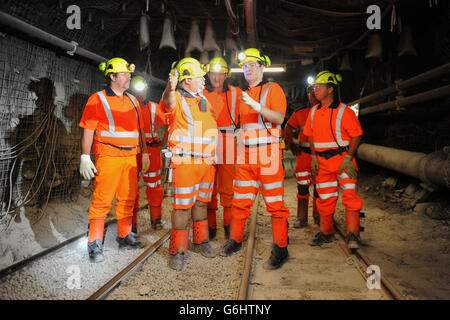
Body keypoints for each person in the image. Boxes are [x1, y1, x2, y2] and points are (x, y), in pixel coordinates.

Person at [221, 48, 290, 270]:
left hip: (268, 155)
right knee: (240, 202)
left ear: (262, 67)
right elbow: (247, 124)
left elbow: (279, 117)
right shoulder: (244, 95)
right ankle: (235, 240)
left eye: (252, 65)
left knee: (275, 205)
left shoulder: (273, 89)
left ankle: (281, 248)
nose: (248, 69)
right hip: (246, 156)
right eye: (244, 66)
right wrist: (240, 132)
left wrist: (258, 107)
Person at [79, 58, 150, 263]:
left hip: (129, 157)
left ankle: (125, 236)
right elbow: (88, 130)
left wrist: (144, 152)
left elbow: (140, 130)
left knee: (127, 199)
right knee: (102, 201)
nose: (129, 77)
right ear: (112, 77)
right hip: (108, 156)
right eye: (125, 74)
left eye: (129, 74)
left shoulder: (133, 101)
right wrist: (85, 156)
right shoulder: (97, 99)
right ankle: (94, 243)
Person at [161, 57, 218, 271]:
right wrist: (170, 86)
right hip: (185, 162)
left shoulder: (204, 101)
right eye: (199, 77)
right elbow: (168, 102)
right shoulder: (176, 98)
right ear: (186, 81)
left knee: (202, 203)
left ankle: (201, 241)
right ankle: (177, 250)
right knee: (182, 207)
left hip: (206, 164)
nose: (203, 80)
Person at [302, 70, 364, 249]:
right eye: (314, 87)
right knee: (325, 198)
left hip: (342, 160)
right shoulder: (313, 112)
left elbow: (356, 136)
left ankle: (353, 234)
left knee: (350, 196)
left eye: (318, 87)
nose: (315, 90)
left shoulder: (344, 111)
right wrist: (314, 156)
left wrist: (349, 158)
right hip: (322, 162)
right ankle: (326, 232)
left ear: (330, 89)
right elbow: (311, 136)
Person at [202, 57, 242, 240]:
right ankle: (210, 226)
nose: (216, 78)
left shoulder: (236, 93)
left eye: (220, 74)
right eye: (212, 74)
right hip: (206, 141)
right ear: (207, 74)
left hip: (227, 140)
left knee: (228, 185)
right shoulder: (200, 93)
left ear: (226, 75)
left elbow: (248, 115)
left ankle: (228, 224)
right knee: (208, 185)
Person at [129, 75, 168, 233]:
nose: (141, 94)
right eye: (138, 90)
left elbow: (168, 123)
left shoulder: (153, 107)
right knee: (132, 189)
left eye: (143, 90)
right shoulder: (127, 107)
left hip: (151, 151)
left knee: (154, 186)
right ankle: (132, 225)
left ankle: (156, 219)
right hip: (132, 151)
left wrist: (163, 142)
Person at [284, 85, 320, 228]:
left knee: (320, 188)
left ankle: (318, 216)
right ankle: (302, 217)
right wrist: (291, 143)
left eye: (315, 93)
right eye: (310, 93)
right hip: (304, 155)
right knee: (303, 187)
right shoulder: (301, 113)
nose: (312, 95)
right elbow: (288, 127)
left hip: (322, 155)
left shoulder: (328, 112)